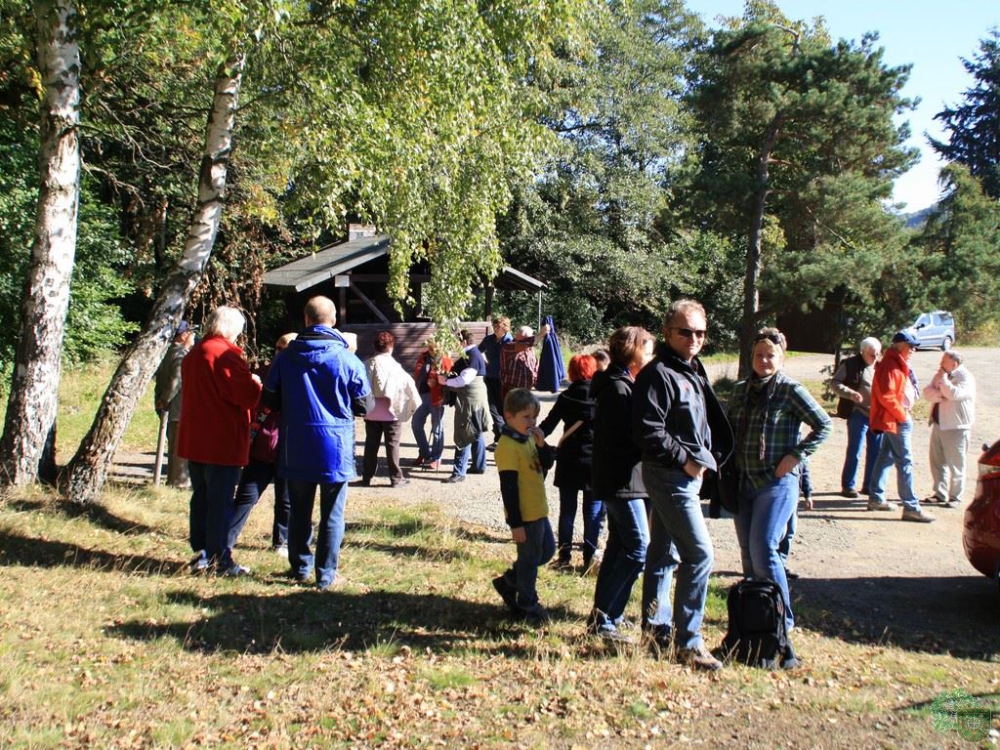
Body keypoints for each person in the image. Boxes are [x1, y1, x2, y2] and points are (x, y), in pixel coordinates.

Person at [633, 301, 735, 671]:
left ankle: (655, 630)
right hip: (670, 475)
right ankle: (688, 642)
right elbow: (648, 430)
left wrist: (705, 459)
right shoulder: (657, 373)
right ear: (667, 332)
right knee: (700, 555)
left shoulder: (691, 369)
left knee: (663, 554)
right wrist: (688, 461)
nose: (694, 339)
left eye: (700, 333)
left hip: (687, 476)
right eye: (685, 332)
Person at [727, 327, 831, 669]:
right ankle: (756, 619)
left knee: (764, 550)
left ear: (781, 357)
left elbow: (823, 425)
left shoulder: (790, 391)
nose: (764, 361)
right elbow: (728, 431)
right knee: (747, 555)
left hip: (777, 482)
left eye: (770, 355)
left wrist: (796, 457)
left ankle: (782, 623)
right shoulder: (742, 391)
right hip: (744, 482)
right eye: (759, 355)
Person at [262, 296, 372, 590]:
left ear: (306, 319)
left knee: (299, 509)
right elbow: (364, 405)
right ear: (333, 320)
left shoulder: (285, 357)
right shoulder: (347, 359)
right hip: (334, 445)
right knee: (332, 512)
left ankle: (300, 566)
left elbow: (269, 399)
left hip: (296, 441)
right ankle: (326, 574)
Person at [178, 306, 262, 576]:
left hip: (197, 439)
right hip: (220, 440)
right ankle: (219, 559)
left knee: (201, 499)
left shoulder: (195, 353)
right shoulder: (224, 355)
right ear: (230, 329)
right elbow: (247, 396)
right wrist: (256, 382)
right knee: (220, 502)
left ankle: (202, 554)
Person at [586, 326, 655, 643]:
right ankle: (605, 623)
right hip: (621, 482)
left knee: (617, 548)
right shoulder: (617, 389)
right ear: (634, 351)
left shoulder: (620, 384)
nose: (651, 356)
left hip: (621, 481)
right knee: (638, 547)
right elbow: (620, 442)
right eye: (648, 349)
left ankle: (603, 617)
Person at [228, 333, 297, 557]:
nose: (280, 353)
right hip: (262, 446)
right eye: (278, 348)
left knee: (286, 501)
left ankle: (281, 541)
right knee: (247, 496)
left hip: (288, 448)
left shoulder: (300, 378)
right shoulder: (260, 375)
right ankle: (227, 539)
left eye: (285, 349)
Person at [491, 388, 556, 625]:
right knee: (529, 562)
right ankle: (528, 605)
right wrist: (515, 524)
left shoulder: (529, 438)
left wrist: (542, 445)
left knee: (547, 551)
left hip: (539, 509)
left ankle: (509, 581)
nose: (532, 422)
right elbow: (508, 488)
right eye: (526, 417)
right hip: (525, 514)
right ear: (509, 417)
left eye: (534, 417)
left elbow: (547, 463)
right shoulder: (507, 446)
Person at [539, 353, 601, 570]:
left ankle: (564, 556)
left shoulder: (566, 398)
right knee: (593, 511)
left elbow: (546, 427)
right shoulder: (602, 397)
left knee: (567, 510)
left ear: (572, 372)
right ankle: (589, 557)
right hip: (595, 461)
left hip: (569, 460)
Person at [868, 330, 935, 522]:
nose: (914, 349)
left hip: (896, 418)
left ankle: (875, 498)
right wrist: (901, 415)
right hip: (896, 419)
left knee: (885, 457)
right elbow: (886, 395)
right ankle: (911, 507)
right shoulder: (890, 364)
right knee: (905, 462)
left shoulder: (896, 362)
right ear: (900, 345)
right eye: (911, 346)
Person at [361, 331, 421, 488]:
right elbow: (409, 386)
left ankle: (366, 477)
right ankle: (396, 478)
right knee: (393, 446)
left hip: (371, 412)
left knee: (371, 445)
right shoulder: (395, 367)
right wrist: (413, 405)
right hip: (391, 413)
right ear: (391, 347)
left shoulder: (367, 364)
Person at [922, 350, 976, 508]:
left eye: (944, 362)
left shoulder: (965, 377)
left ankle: (955, 497)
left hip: (957, 427)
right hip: (939, 424)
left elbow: (954, 394)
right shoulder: (941, 374)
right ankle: (940, 493)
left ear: (955, 364)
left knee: (956, 463)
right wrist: (940, 395)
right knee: (937, 461)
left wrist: (944, 383)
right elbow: (927, 392)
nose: (940, 365)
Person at [831, 337, 883, 498]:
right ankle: (848, 486)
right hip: (857, 413)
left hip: (876, 415)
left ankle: (869, 486)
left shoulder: (880, 367)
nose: (875, 357)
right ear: (863, 351)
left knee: (875, 452)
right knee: (855, 450)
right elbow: (835, 383)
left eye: (877, 354)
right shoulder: (850, 364)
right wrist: (850, 393)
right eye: (871, 354)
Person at [439, 330, 493, 483]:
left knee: (464, 431)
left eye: (456, 342)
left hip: (470, 398)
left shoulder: (472, 356)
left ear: (463, 342)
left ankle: (459, 472)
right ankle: (479, 465)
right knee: (476, 430)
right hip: (476, 397)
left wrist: (445, 382)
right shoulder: (474, 354)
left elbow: (464, 380)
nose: (455, 345)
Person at [154, 321, 195, 488]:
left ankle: (173, 480)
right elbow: (175, 381)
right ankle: (179, 482)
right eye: (190, 333)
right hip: (179, 407)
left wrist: (161, 401)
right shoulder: (182, 355)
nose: (193, 336)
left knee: (174, 445)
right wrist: (165, 399)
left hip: (170, 406)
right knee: (179, 447)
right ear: (184, 335)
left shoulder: (168, 352)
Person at [410, 341, 453, 471]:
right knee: (416, 424)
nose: (431, 349)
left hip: (437, 397)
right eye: (430, 346)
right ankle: (424, 452)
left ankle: (436, 457)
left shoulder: (445, 359)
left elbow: (449, 380)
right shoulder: (422, 357)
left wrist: (438, 384)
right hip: (422, 396)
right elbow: (417, 374)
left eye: (434, 347)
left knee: (437, 429)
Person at [479, 316, 513, 445]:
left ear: (505, 327)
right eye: (494, 326)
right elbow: (478, 351)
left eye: (498, 327)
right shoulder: (489, 339)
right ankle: (501, 436)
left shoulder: (510, 341)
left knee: (503, 408)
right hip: (489, 377)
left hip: (504, 380)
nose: (495, 329)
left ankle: (502, 437)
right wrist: (483, 361)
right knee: (492, 408)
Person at [499, 324, 550, 401]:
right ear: (518, 336)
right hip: (511, 392)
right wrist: (542, 333)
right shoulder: (509, 346)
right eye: (528, 338)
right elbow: (527, 343)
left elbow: (535, 369)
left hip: (526, 392)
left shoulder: (531, 351)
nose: (530, 340)